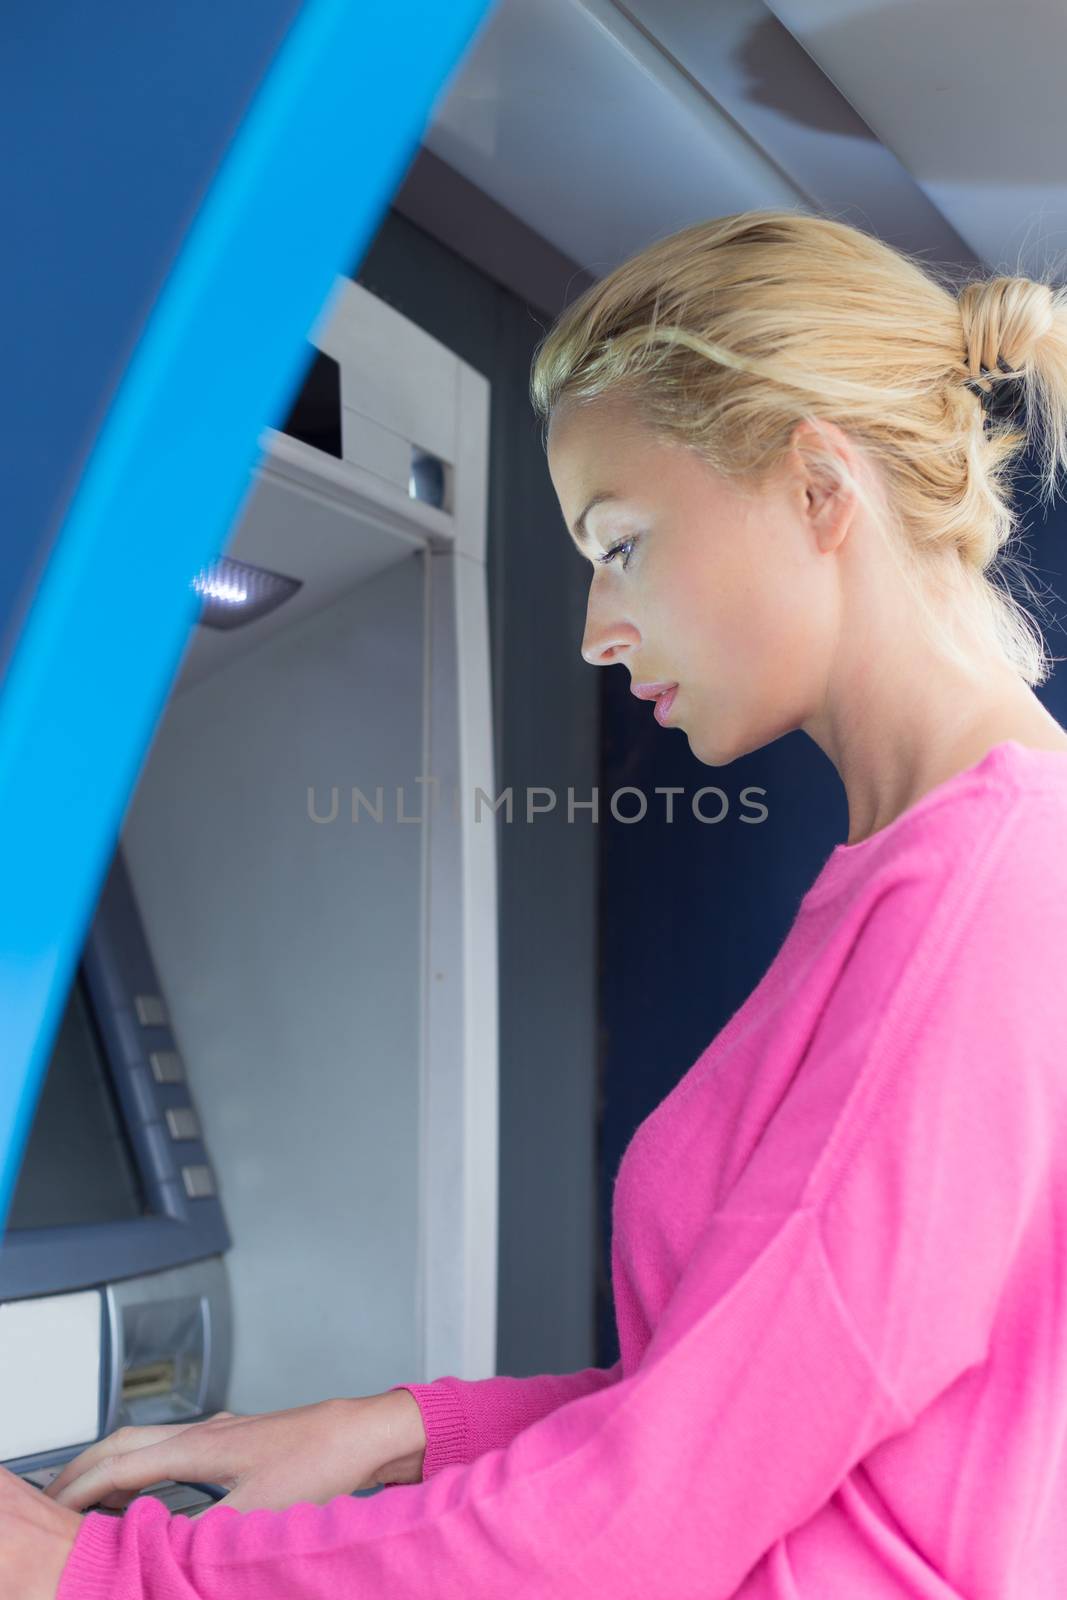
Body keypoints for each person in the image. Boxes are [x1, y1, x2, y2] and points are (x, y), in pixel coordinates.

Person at [6, 206, 1067, 1599]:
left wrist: (99, 1577)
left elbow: (649, 1518)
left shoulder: (987, 901)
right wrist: (400, 1433)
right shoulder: (945, 871)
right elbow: (752, 1425)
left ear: (820, 489)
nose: (593, 629)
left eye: (620, 543)